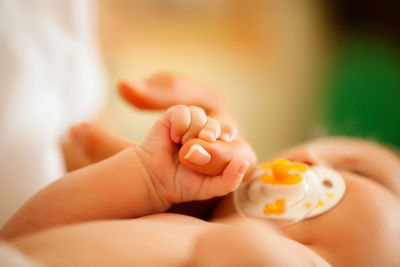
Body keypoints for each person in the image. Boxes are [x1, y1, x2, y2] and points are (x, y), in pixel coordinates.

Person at [1, 73, 400, 266]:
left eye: (361, 174)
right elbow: (21, 237)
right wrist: (144, 178)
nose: (304, 163)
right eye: (294, 153)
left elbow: (240, 252)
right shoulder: (186, 226)